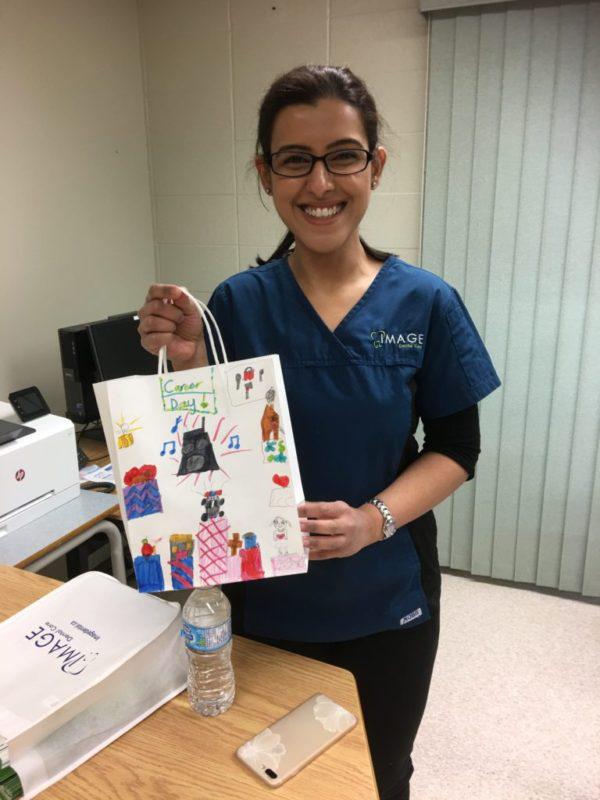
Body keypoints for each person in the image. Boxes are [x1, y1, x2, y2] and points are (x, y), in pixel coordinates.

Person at [138, 65, 500, 800]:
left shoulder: (426, 303)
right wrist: (184, 368)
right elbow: (204, 458)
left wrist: (374, 520)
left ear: (376, 164)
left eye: (343, 154)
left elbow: (457, 449)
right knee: (263, 771)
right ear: (266, 175)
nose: (321, 182)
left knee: (376, 773)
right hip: (266, 605)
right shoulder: (236, 303)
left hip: (388, 599)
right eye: (294, 160)